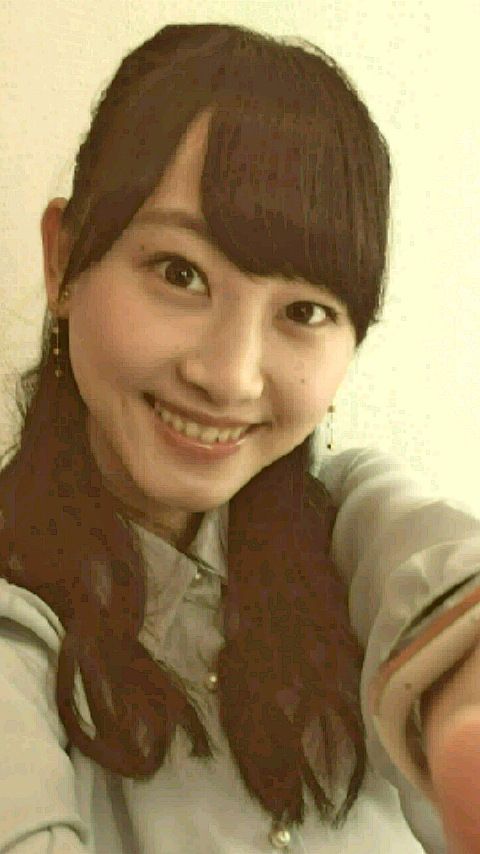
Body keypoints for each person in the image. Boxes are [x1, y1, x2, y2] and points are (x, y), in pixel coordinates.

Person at [0, 21, 479, 853]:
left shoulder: (348, 532)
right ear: (65, 260)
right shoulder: (18, 633)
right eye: (180, 273)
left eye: (305, 311)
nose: (229, 377)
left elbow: (441, 585)